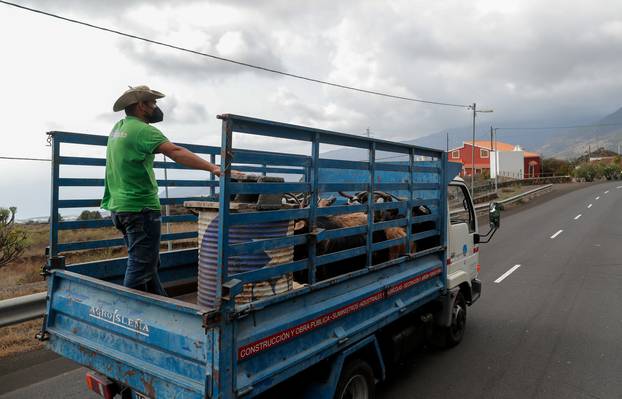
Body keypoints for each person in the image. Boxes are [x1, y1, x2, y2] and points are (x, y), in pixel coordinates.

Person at [101, 85, 223, 296]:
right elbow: (176, 152)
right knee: (140, 268)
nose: (156, 107)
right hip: (140, 209)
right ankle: (127, 315)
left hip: (119, 208)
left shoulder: (118, 128)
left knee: (148, 263)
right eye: (153, 103)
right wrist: (213, 168)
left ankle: (162, 305)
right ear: (141, 106)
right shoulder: (143, 130)